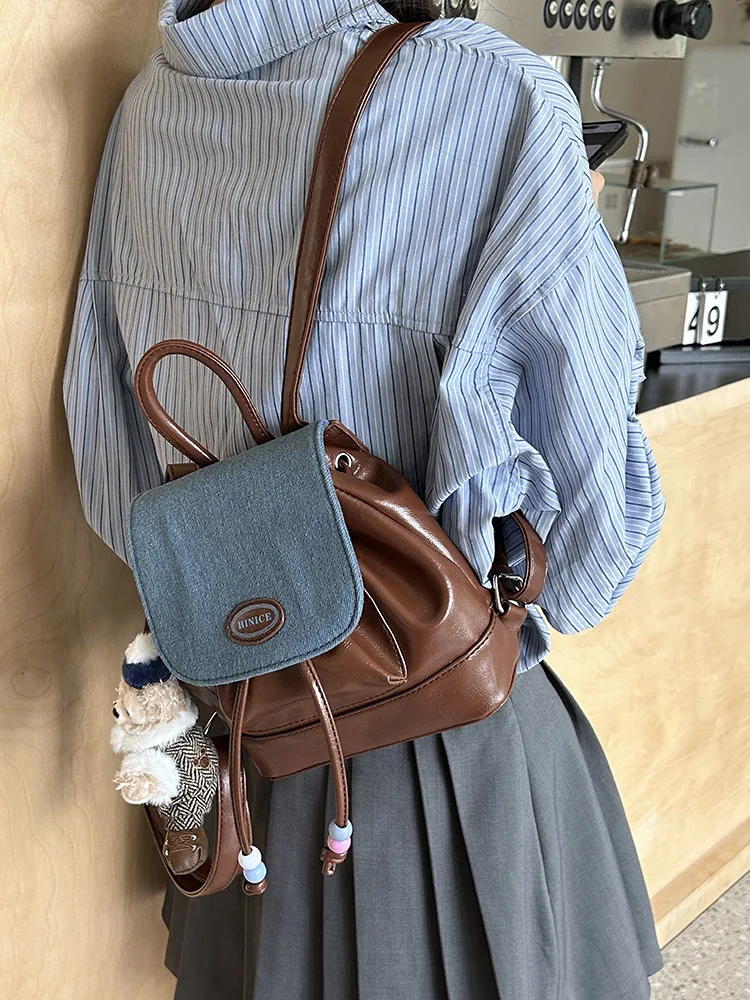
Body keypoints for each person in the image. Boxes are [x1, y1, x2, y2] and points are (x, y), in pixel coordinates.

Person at [63, 1, 665, 997]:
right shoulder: (499, 98)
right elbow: (594, 558)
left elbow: (107, 460)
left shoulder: (149, 106)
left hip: (240, 737)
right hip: (436, 747)